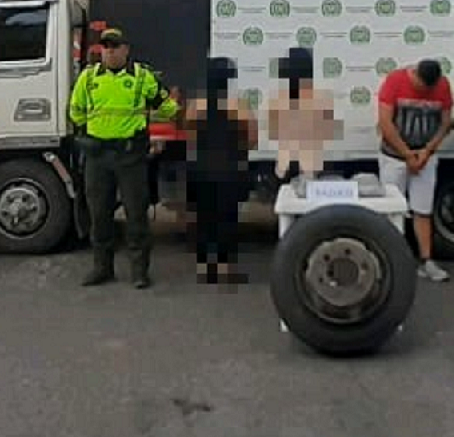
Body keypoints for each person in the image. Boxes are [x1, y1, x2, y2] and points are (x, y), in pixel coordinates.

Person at [70, 27, 179, 289]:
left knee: (136, 215)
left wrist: (156, 129)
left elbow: (168, 109)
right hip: (98, 156)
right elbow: (76, 112)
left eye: (114, 46)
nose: (109, 51)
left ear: (126, 50)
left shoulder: (142, 78)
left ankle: (139, 271)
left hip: (130, 156)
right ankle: (102, 268)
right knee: (99, 214)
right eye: (105, 46)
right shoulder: (88, 78)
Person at [181, 57, 258, 284]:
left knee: (204, 218)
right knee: (227, 218)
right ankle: (224, 267)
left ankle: (205, 266)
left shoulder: (196, 106)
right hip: (229, 168)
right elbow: (252, 139)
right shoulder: (239, 106)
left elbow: (190, 135)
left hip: (202, 168)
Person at [377, 59, 454, 282]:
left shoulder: (442, 86)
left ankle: (427, 261)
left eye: (431, 89)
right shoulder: (395, 81)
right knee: (392, 211)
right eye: (422, 88)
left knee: (423, 210)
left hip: (424, 158)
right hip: (394, 157)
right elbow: (385, 122)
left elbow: (445, 123)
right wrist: (407, 155)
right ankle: (392, 261)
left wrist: (427, 151)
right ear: (415, 75)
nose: (427, 92)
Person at [266, 47, 337, 183]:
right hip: (310, 166)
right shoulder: (321, 97)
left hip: (284, 165)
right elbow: (327, 131)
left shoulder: (278, 99)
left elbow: (273, 133)